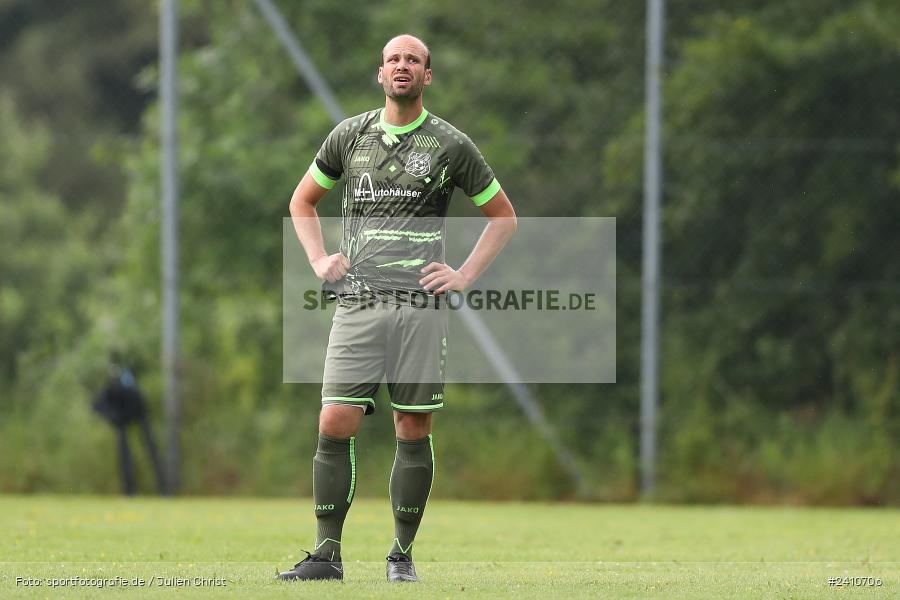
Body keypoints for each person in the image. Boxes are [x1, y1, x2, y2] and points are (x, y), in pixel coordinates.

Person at [278, 34, 516, 583]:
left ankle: (400, 556)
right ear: (380, 73)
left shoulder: (451, 145)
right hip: (358, 303)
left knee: (412, 427)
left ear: (427, 76)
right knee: (335, 420)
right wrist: (318, 260)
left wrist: (462, 276)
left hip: (420, 308)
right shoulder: (350, 135)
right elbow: (302, 200)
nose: (402, 66)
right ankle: (326, 554)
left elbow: (503, 216)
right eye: (393, 59)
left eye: (413, 59)